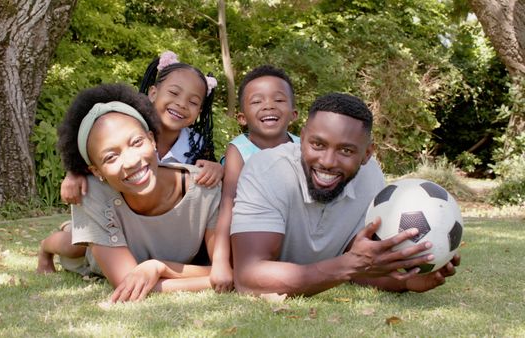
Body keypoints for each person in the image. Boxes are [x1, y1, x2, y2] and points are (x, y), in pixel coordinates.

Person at [230, 92, 461, 296]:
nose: (328, 162)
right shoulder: (267, 170)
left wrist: (406, 280)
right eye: (317, 145)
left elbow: (361, 268)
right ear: (302, 139)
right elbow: (248, 277)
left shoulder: (370, 177)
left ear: (367, 153)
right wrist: (348, 265)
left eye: (346, 150)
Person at [37, 83, 221, 303]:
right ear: (96, 172)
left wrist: (158, 267)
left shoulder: (204, 187)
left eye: (136, 142)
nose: (131, 161)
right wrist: (213, 280)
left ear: (152, 139)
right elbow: (128, 283)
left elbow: (222, 269)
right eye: (111, 157)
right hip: (100, 251)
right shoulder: (92, 190)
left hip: (149, 254)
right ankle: (45, 246)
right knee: (73, 246)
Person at [60, 51, 223, 205]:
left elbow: (207, 175)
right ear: (153, 93)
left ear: (199, 112)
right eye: (174, 93)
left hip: (169, 219)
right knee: (63, 236)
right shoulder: (126, 126)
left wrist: (216, 169)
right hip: (119, 214)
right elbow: (99, 156)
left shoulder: (197, 145)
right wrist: (75, 172)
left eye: (193, 102)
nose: (182, 104)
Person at [209, 65, 299, 292]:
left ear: (293, 113)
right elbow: (228, 202)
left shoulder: (303, 147)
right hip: (251, 232)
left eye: (279, 100)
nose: (268, 105)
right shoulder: (239, 150)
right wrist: (220, 262)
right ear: (241, 117)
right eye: (257, 101)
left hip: (293, 232)